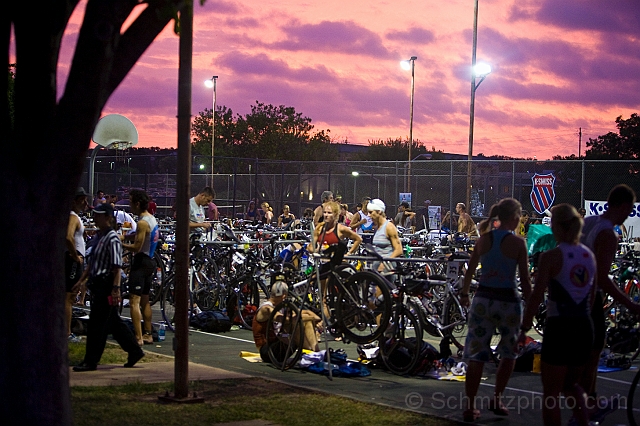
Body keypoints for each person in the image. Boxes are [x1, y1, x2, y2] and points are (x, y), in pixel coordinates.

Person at [520, 204, 596, 426]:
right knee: (572, 385)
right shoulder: (588, 255)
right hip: (583, 325)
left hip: (560, 326)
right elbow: (592, 296)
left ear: (557, 226)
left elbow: (536, 296)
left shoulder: (551, 256)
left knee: (551, 393)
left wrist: (525, 326)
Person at [459, 198, 531, 422]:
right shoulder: (518, 243)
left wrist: (464, 295)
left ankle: (470, 406)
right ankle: (497, 398)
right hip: (508, 301)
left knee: (476, 356)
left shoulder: (483, 240)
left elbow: (469, 272)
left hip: (483, 300)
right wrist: (531, 307)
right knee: (509, 353)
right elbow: (526, 282)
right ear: (515, 218)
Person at [578, 184, 640, 422]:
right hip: (587, 296)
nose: (629, 213)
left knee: (587, 352)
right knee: (593, 352)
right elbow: (602, 278)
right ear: (623, 206)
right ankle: (586, 406)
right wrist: (630, 304)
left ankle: (587, 402)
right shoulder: (607, 233)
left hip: (570, 294)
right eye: (629, 208)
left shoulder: (588, 222)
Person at [72, 202, 144, 371]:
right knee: (113, 322)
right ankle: (134, 350)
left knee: (97, 324)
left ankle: (91, 360)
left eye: (99, 215)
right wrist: (81, 280)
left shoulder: (112, 238)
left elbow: (116, 267)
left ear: (108, 218)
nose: (95, 218)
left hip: (107, 285)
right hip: (98, 284)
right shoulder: (99, 237)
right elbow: (92, 264)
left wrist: (116, 289)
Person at [121, 189, 160, 346]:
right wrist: (125, 236)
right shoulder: (151, 219)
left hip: (141, 262)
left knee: (133, 301)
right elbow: (140, 236)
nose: (129, 206)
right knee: (145, 300)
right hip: (150, 261)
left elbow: (137, 246)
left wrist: (121, 243)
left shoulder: (142, 222)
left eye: (130, 202)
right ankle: (148, 334)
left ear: (137, 204)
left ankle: (138, 337)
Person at [252, 282, 321, 362]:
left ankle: (315, 353)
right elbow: (286, 320)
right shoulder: (266, 309)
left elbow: (307, 312)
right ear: (284, 295)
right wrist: (312, 318)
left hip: (280, 344)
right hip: (267, 351)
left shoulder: (282, 306)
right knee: (300, 322)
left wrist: (318, 321)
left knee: (305, 320)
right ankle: (314, 354)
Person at [65, 188, 89, 342]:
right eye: (82, 199)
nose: (85, 203)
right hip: (73, 261)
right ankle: (66, 333)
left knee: (69, 296)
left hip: (73, 260)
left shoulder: (74, 217)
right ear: (74, 201)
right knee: (69, 297)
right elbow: (68, 237)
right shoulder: (73, 217)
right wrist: (75, 256)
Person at [367, 199, 403, 273]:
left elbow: (399, 250)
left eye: (371, 212)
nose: (368, 215)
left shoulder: (389, 227)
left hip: (387, 268)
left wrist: (385, 263)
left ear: (379, 211)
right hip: (377, 267)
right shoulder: (377, 227)